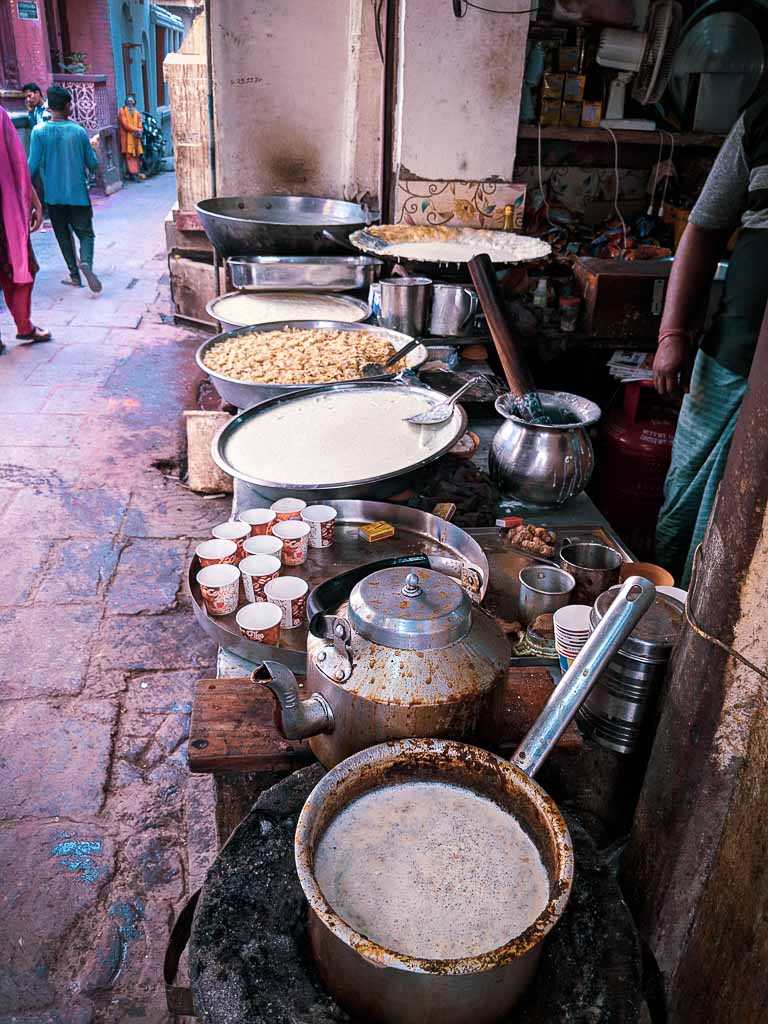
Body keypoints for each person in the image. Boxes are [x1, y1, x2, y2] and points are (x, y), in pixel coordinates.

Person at [653, 90, 768, 586]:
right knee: (684, 504)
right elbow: (702, 228)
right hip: (729, 358)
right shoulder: (763, 119)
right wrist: (673, 333)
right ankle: (666, 615)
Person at [28, 85, 102, 293]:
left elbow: (31, 167)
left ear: (50, 107)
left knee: (62, 235)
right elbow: (92, 163)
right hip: (78, 195)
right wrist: (99, 172)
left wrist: (27, 196)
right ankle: (86, 261)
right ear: (68, 106)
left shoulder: (38, 132)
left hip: (53, 196)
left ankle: (74, 275)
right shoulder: (78, 132)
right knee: (86, 234)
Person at [0, 106, 50, 354]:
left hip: (5, 212)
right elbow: (18, 165)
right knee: (22, 268)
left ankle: (23, 325)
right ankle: (24, 325)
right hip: (4, 216)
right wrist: (35, 203)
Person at [118, 94, 144, 181]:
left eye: (131, 102)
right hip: (127, 138)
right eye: (128, 102)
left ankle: (136, 173)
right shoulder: (122, 111)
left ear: (134, 103)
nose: (130, 104)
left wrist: (140, 129)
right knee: (129, 156)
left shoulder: (136, 112)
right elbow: (125, 125)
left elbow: (140, 123)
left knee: (136, 155)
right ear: (126, 102)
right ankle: (133, 174)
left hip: (135, 137)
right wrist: (137, 129)